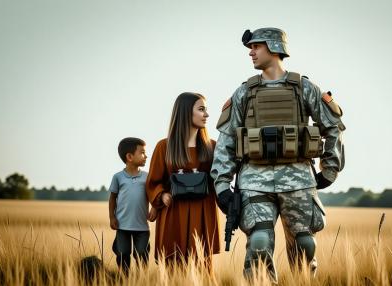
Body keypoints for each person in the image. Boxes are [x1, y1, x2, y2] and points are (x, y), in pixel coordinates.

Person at [211, 27, 346, 282]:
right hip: (254, 180)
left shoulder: (304, 88)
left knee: (305, 244)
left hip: (298, 180)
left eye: (256, 47)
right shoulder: (244, 92)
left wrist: (329, 169)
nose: (251, 53)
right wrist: (221, 184)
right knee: (259, 242)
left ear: (273, 47)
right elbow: (226, 139)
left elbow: (334, 126)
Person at [146, 92, 220, 270]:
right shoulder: (164, 146)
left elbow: (220, 180)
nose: (207, 115)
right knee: (172, 267)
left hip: (202, 212)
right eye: (201, 109)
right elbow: (153, 182)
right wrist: (161, 196)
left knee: (201, 267)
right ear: (186, 112)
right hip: (173, 213)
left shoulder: (213, 147)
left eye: (206, 110)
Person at [109, 137, 157, 275]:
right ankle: (124, 279)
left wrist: (154, 208)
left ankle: (142, 280)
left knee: (141, 253)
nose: (146, 156)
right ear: (129, 156)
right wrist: (112, 217)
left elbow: (153, 195)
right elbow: (112, 199)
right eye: (142, 152)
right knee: (123, 253)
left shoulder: (147, 177)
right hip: (122, 226)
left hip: (142, 226)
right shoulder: (118, 177)